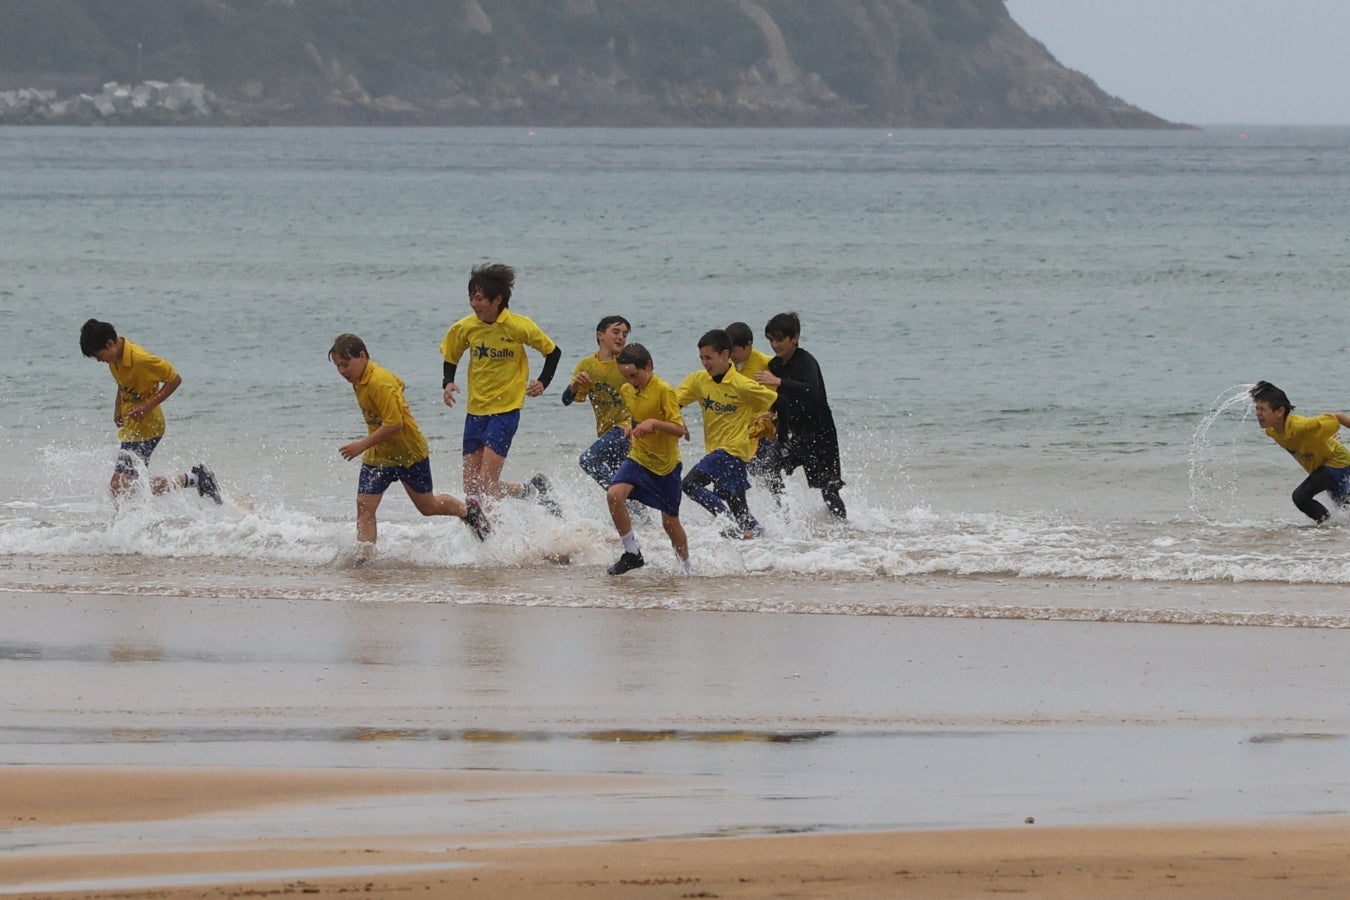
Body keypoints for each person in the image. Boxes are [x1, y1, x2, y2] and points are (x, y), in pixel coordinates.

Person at [330, 333, 490, 551]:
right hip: (380, 454)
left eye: (345, 364)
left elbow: (395, 424)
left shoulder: (380, 382)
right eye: (338, 366)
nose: (342, 371)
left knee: (428, 506)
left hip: (409, 452)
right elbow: (401, 383)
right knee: (364, 506)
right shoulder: (360, 379)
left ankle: (468, 512)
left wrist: (361, 445)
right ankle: (364, 558)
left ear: (362, 356)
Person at [440, 263, 563, 512]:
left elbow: (553, 352)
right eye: (471, 298)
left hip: (505, 410)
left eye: (479, 298)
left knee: (486, 484)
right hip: (475, 411)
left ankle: (493, 535)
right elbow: (451, 355)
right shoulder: (465, 327)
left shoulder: (518, 326)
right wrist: (448, 382)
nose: (474, 305)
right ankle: (531, 490)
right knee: (472, 488)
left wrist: (543, 382)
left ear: (497, 300)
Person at [79, 318, 220, 504]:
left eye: (99, 356)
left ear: (110, 343)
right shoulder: (115, 359)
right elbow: (123, 385)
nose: (99, 361)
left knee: (121, 487)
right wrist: (118, 407)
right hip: (132, 428)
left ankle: (192, 480)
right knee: (125, 487)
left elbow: (174, 379)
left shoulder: (141, 359)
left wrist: (147, 405)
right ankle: (193, 479)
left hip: (147, 429)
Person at [675, 329, 778, 538]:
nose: (705, 362)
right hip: (717, 452)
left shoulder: (742, 385)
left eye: (709, 357)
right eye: (702, 358)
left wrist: (773, 421)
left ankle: (726, 522)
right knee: (745, 518)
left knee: (689, 484)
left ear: (725, 355)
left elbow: (775, 401)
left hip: (733, 452)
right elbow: (673, 402)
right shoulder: (698, 381)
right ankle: (769, 545)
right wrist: (677, 420)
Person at [606, 343, 691, 576]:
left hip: (666, 466)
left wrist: (653, 423)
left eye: (635, 375)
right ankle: (632, 552)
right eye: (626, 376)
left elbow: (679, 429)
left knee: (670, 522)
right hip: (639, 457)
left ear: (649, 366)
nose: (632, 381)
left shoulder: (664, 390)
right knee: (614, 495)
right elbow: (635, 417)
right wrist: (629, 426)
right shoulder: (626, 390)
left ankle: (685, 568)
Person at [753, 312, 846, 519]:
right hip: (797, 435)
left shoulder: (806, 361)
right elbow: (783, 399)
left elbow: (811, 391)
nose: (775, 345)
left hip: (822, 436)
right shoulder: (775, 366)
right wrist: (772, 412)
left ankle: (844, 529)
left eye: (779, 339)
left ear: (795, 337)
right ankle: (784, 515)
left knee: (829, 488)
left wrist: (778, 382)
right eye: (771, 340)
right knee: (769, 467)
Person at [1250, 380, 1350, 523]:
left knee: (1301, 496)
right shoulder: (1272, 431)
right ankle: (1334, 535)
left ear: (1279, 411)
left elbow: (1338, 417)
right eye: (1257, 408)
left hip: (1337, 462)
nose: (1258, 413)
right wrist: (1327, 437)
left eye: (1262, 409)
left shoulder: (1302, 426)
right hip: (1323, 466)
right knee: (1344, 507)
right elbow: (1309, 440)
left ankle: (1327, 530)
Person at [563, 315, 632, 490]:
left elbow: (650, 391)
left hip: (626, 431)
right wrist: (576, 385)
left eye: (624, 334)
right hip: (606, 433)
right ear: (600, 335)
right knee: (624, 480)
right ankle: (633, 512)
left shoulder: (627, 363)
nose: (621, 337)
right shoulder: (587, 365)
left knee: (588, 459)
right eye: (616, 332)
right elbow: (566, 400)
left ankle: (616, 496)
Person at [726, 320, 779, 485]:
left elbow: (789, 385)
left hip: (769, 425)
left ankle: (783, 507)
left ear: (748, 345)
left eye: (734, 351)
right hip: (744, 429)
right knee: (754, 470)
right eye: (728, 352)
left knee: (769, 470)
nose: (731, 356)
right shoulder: (728, 367)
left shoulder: (767, 362)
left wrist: (773, 411)